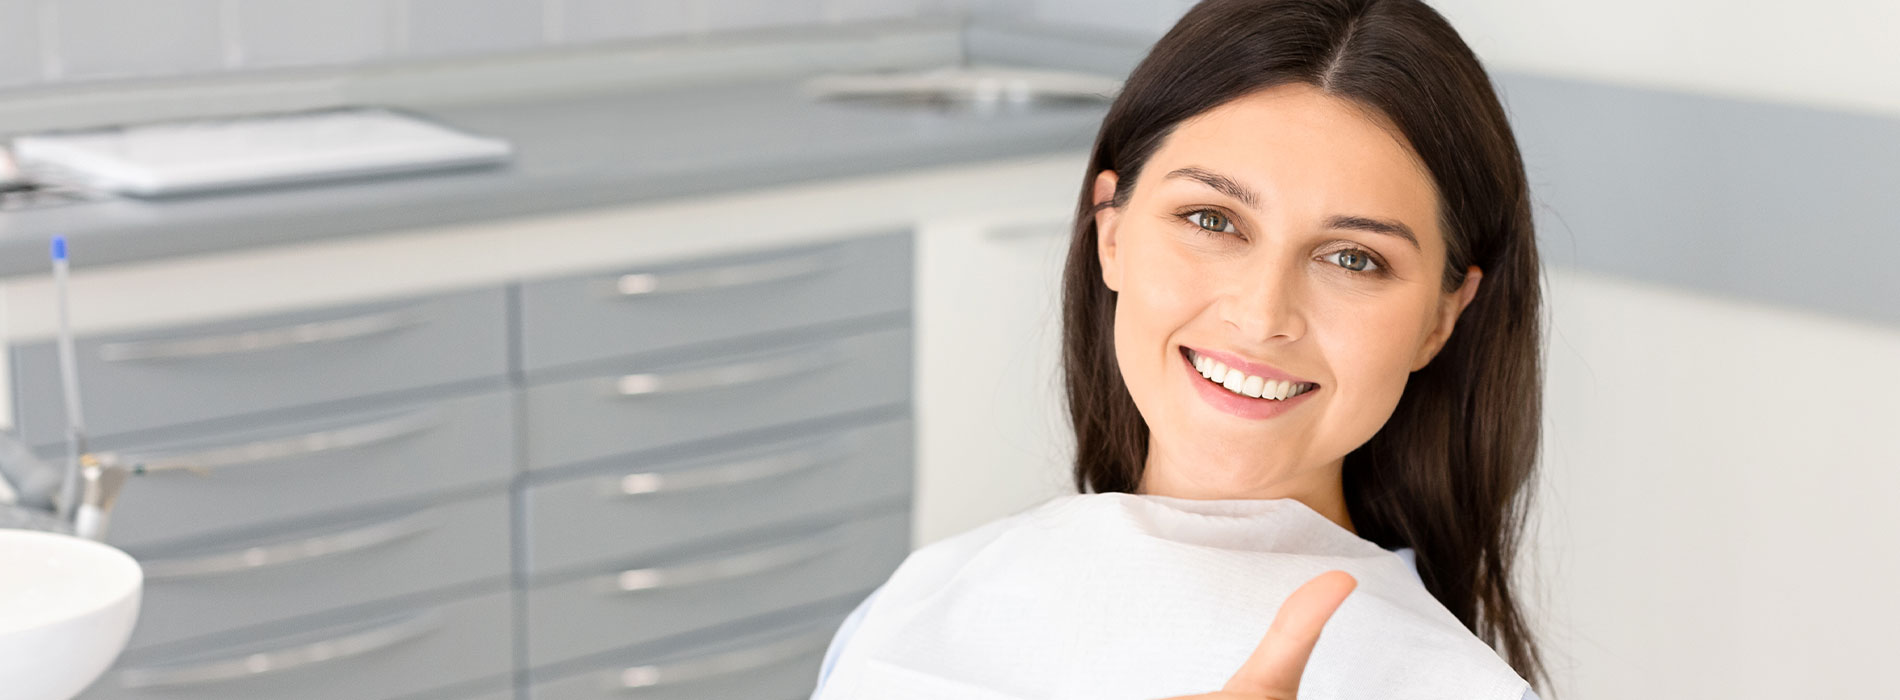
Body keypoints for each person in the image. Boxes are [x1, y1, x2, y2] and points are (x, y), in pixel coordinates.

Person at [813, 0, 1550, 697]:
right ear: (1111, 233)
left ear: (1440, 319)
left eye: (1353, 258)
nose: (1262, 317)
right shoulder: (920, 599)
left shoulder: (1446, 683)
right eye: (1212, 219)